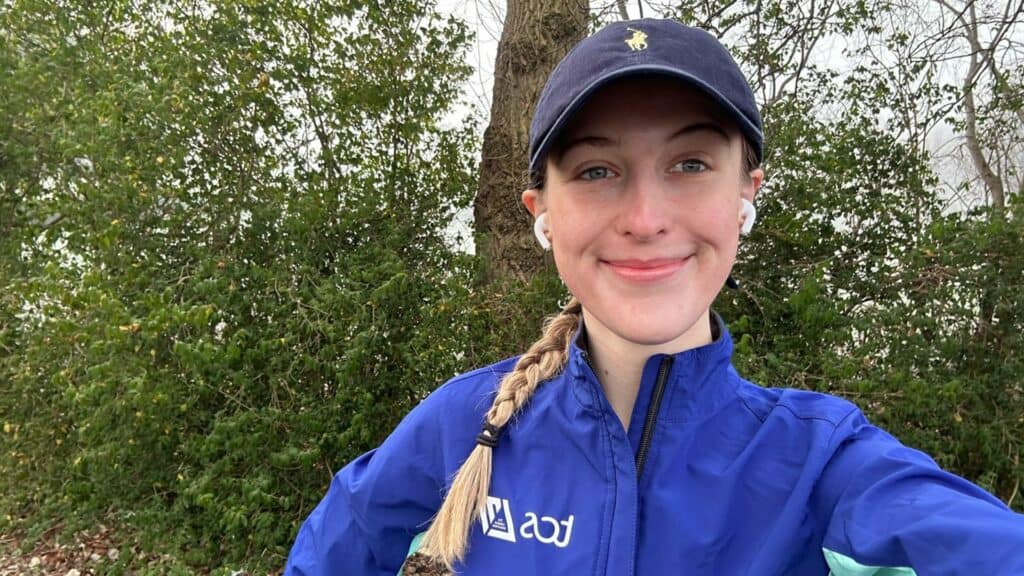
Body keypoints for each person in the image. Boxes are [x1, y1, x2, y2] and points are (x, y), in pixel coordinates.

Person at [284, 18, 1024, 576]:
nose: (644, 219)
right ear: (541, 212)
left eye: (691, 162)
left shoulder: (824, 466)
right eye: (597, 171)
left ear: (745, 195)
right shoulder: (461, 427)